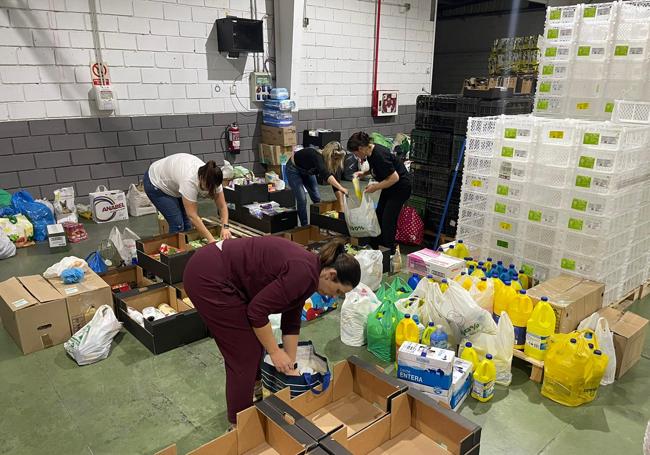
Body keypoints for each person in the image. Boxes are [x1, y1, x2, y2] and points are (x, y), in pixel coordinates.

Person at [183, 236, 360, 426]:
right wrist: (276, 352)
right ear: (331, 275)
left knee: (256, 342)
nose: (334, 297)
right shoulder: (304, 273)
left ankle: (254, 391)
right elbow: (257, 312)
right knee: (244, 355)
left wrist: (290, 364)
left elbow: (292, 317)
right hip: (208, 276)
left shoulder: (312, 273)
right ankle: (239, 425)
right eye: (338, 291)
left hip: (221, 272)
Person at [347, 131, 412, 253]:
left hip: (400, 188)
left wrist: (375, 187)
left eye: (355, 153)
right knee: (379, 215)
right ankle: (376, 246)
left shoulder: (379, 154)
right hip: (390, 186)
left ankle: (389, 251)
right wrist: (363, 173)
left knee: (388, 219)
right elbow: (377, 168)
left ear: (361, 148)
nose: (356, 156)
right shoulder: (370, 152)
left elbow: (394, 177)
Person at [143, 153, 232, 241]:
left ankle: (186, 249)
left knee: (187, 224)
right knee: (178, 224)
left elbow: (222, 206)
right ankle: (176, 253)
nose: (208, 192)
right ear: (201, 178)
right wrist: (211, 240)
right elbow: (192, 216)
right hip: (155, 183)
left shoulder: (214, 179)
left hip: (174, 180)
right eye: (207, 188)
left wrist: (225, 227)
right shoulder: (189, 181)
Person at [285, 141, 349, 226]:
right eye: (335, 158)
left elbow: (336, 185)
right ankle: (304, 226)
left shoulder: (333, 163)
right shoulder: (315, 155)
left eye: (338, 159)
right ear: (329, 155)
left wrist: (341, 208)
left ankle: (319, 222)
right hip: (293, 169)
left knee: (317, 198)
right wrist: (341, 187)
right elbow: (325, 174)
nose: (336, 161)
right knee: (302, 199)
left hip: (307, 172)